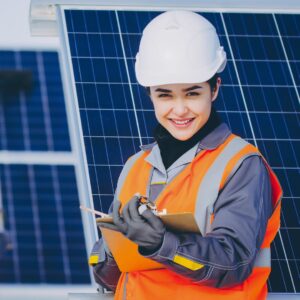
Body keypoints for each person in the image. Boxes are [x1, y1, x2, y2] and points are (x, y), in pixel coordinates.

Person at [89, 10, 282, 300]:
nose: (179, 110)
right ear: (150, 94)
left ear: (214, 89)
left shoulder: (241, 164)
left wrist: (160, 243)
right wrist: (115, 246)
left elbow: (234, 263)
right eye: (165, 95)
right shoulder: (134, 167)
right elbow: (106, 276)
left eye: (192, 94)